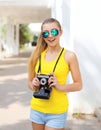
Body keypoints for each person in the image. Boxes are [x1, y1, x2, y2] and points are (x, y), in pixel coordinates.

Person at [28, 18, 82, 130]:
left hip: (57, 111)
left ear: (60, 32)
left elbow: (78, 85)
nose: (50, 36)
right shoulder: (37, 56)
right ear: (42, 36)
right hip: (37, 109)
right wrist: (33, 84)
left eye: (54, 31)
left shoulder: (69, 56)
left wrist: (59, 86)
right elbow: (29, 83)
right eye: (46, 33)